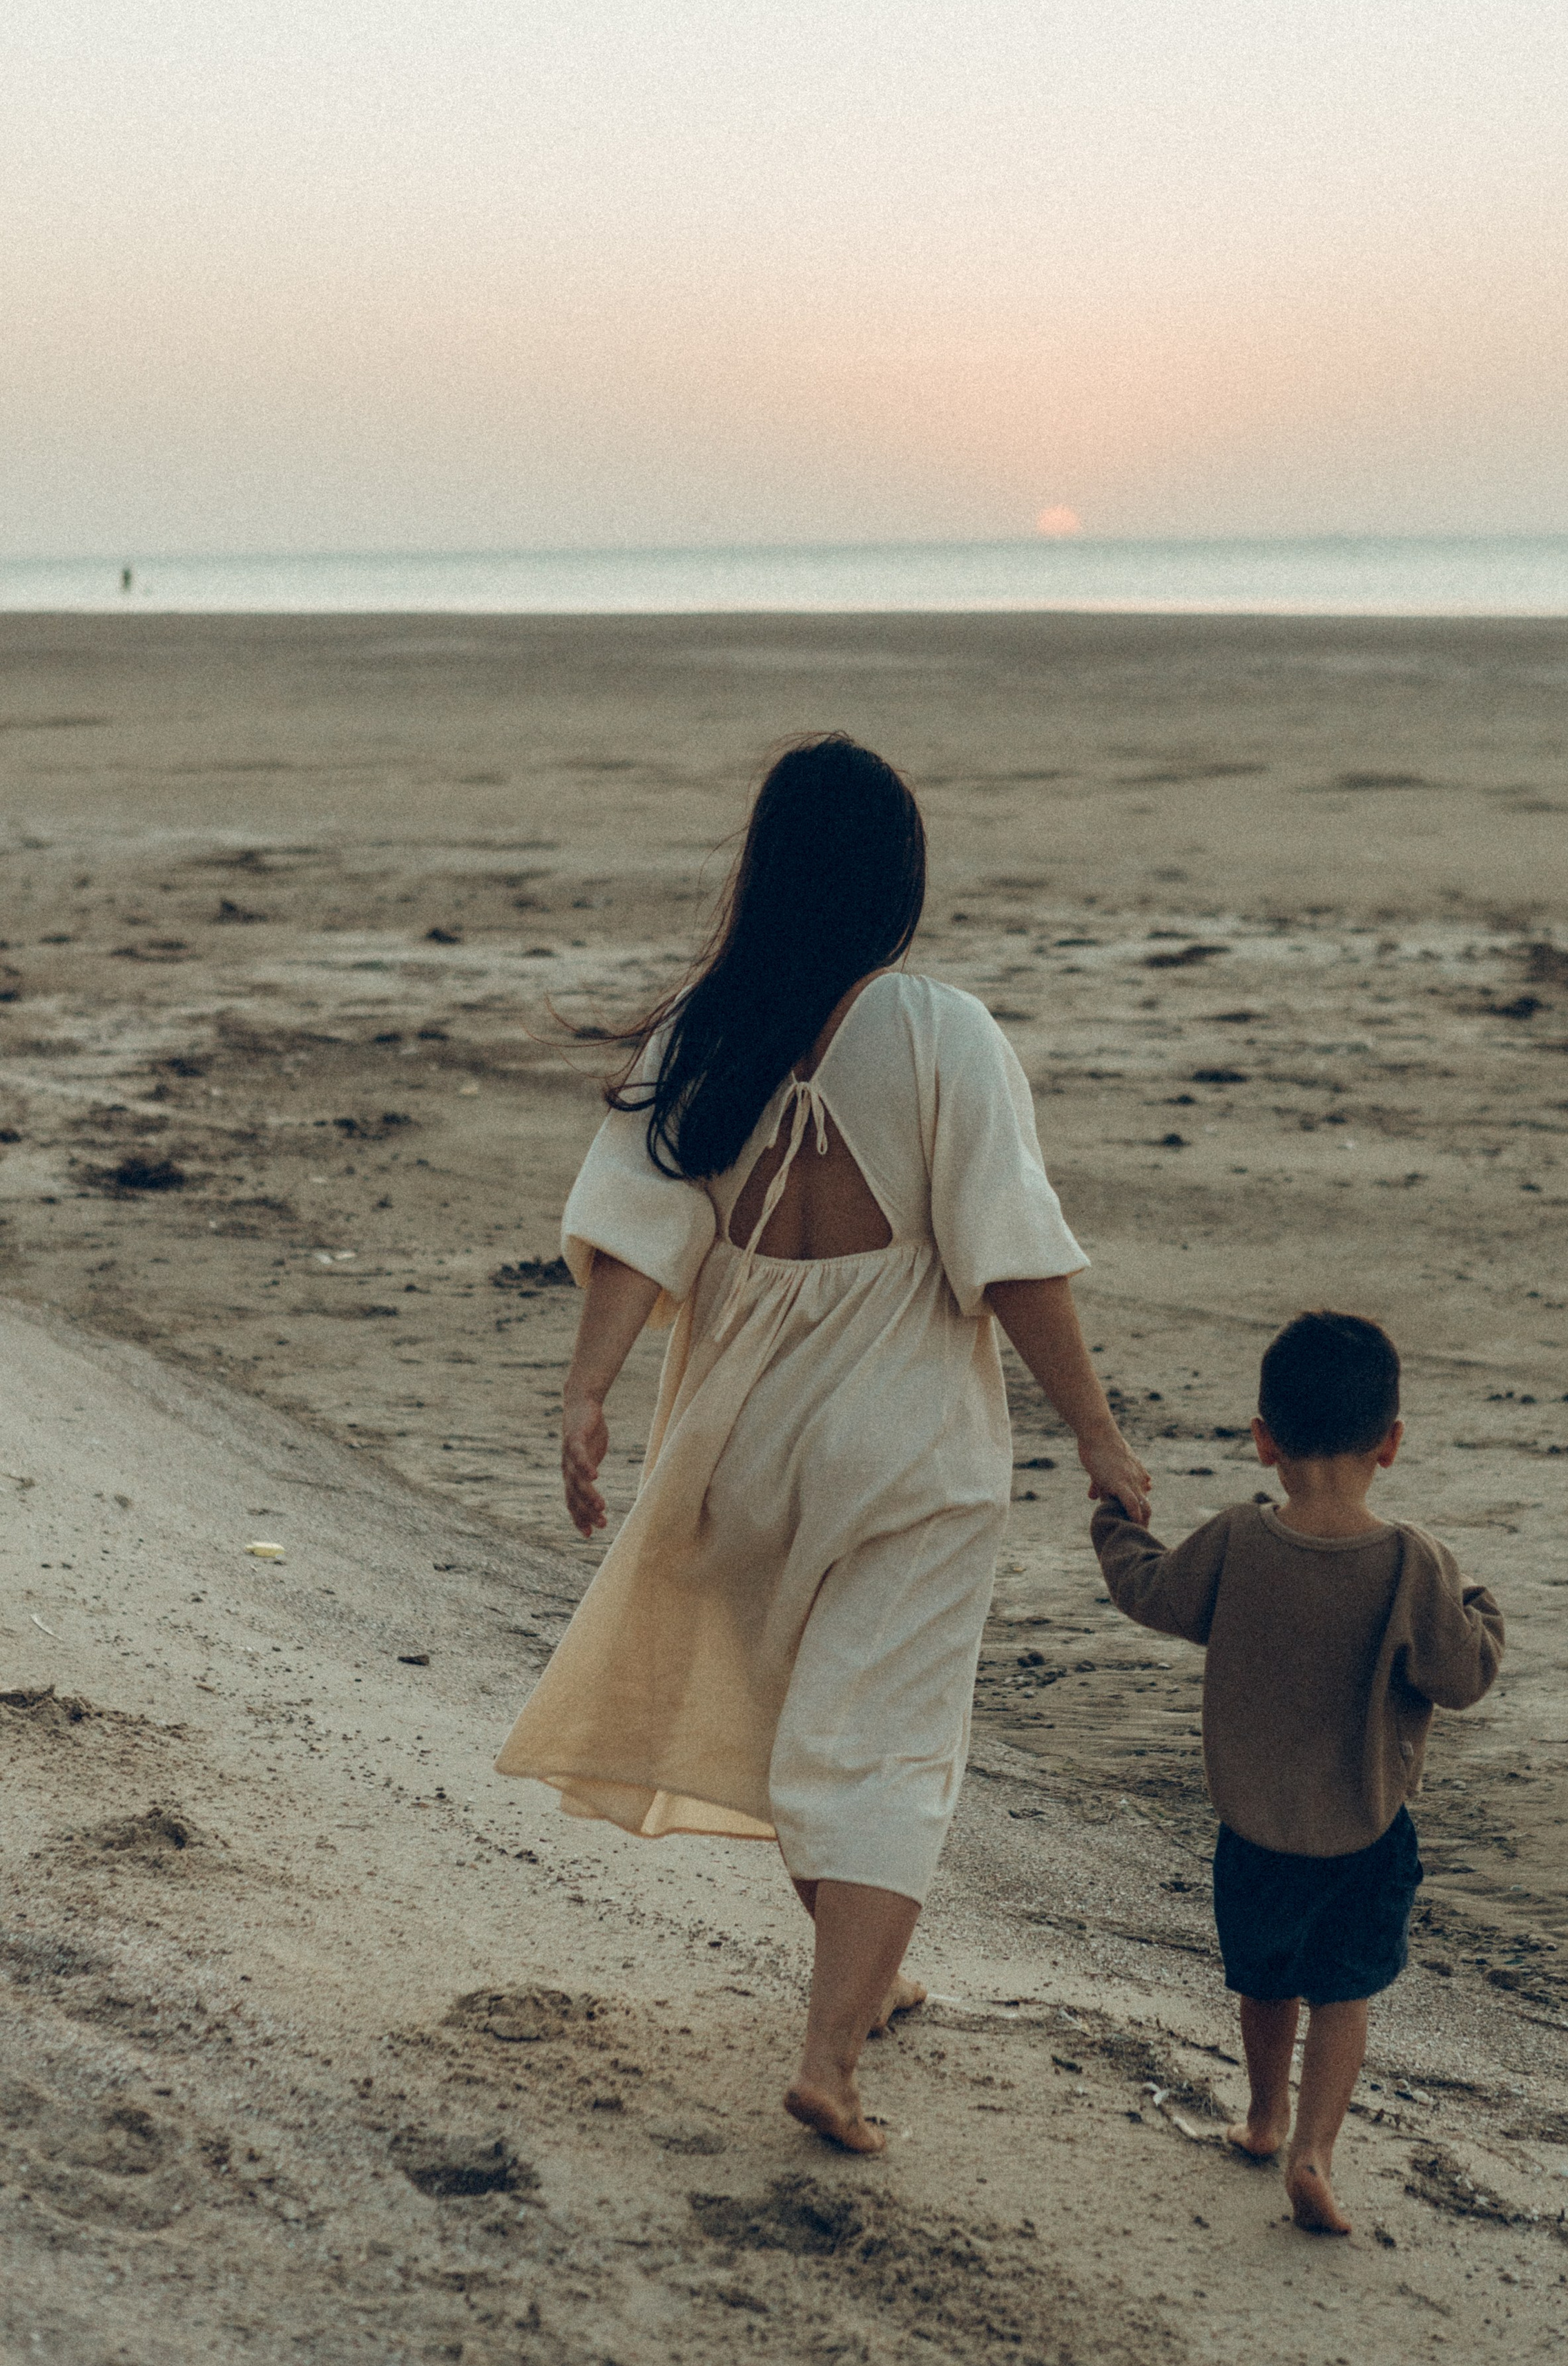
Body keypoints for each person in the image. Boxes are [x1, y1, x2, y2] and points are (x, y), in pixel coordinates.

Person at [496, 735, 1151, 2153]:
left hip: (732, 1436)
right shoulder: (938, 1031)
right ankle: (824, 2052)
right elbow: (1010, 1260)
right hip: (903, 1439)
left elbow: (633, 1235)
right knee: (886, 1745)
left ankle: (875, 1975)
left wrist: (585, 1395)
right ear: (893, 881)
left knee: (809, 1734)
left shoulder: (704, 1034)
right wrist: (1094, 1433)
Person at [1090, 1310, 1503, 2233]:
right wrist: (1482, 1605)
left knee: (1265, 1978)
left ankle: (1264, 2114)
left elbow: (1153, 1593)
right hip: (1367, 1829)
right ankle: (1315, 2150)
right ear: (1391, 1444)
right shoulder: (1413, 1564)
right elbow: (1463, 1674)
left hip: (1254, 1827)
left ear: (1264, 1440)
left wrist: (1114, 1523)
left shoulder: (1240, 1540)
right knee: (1343, 1993)